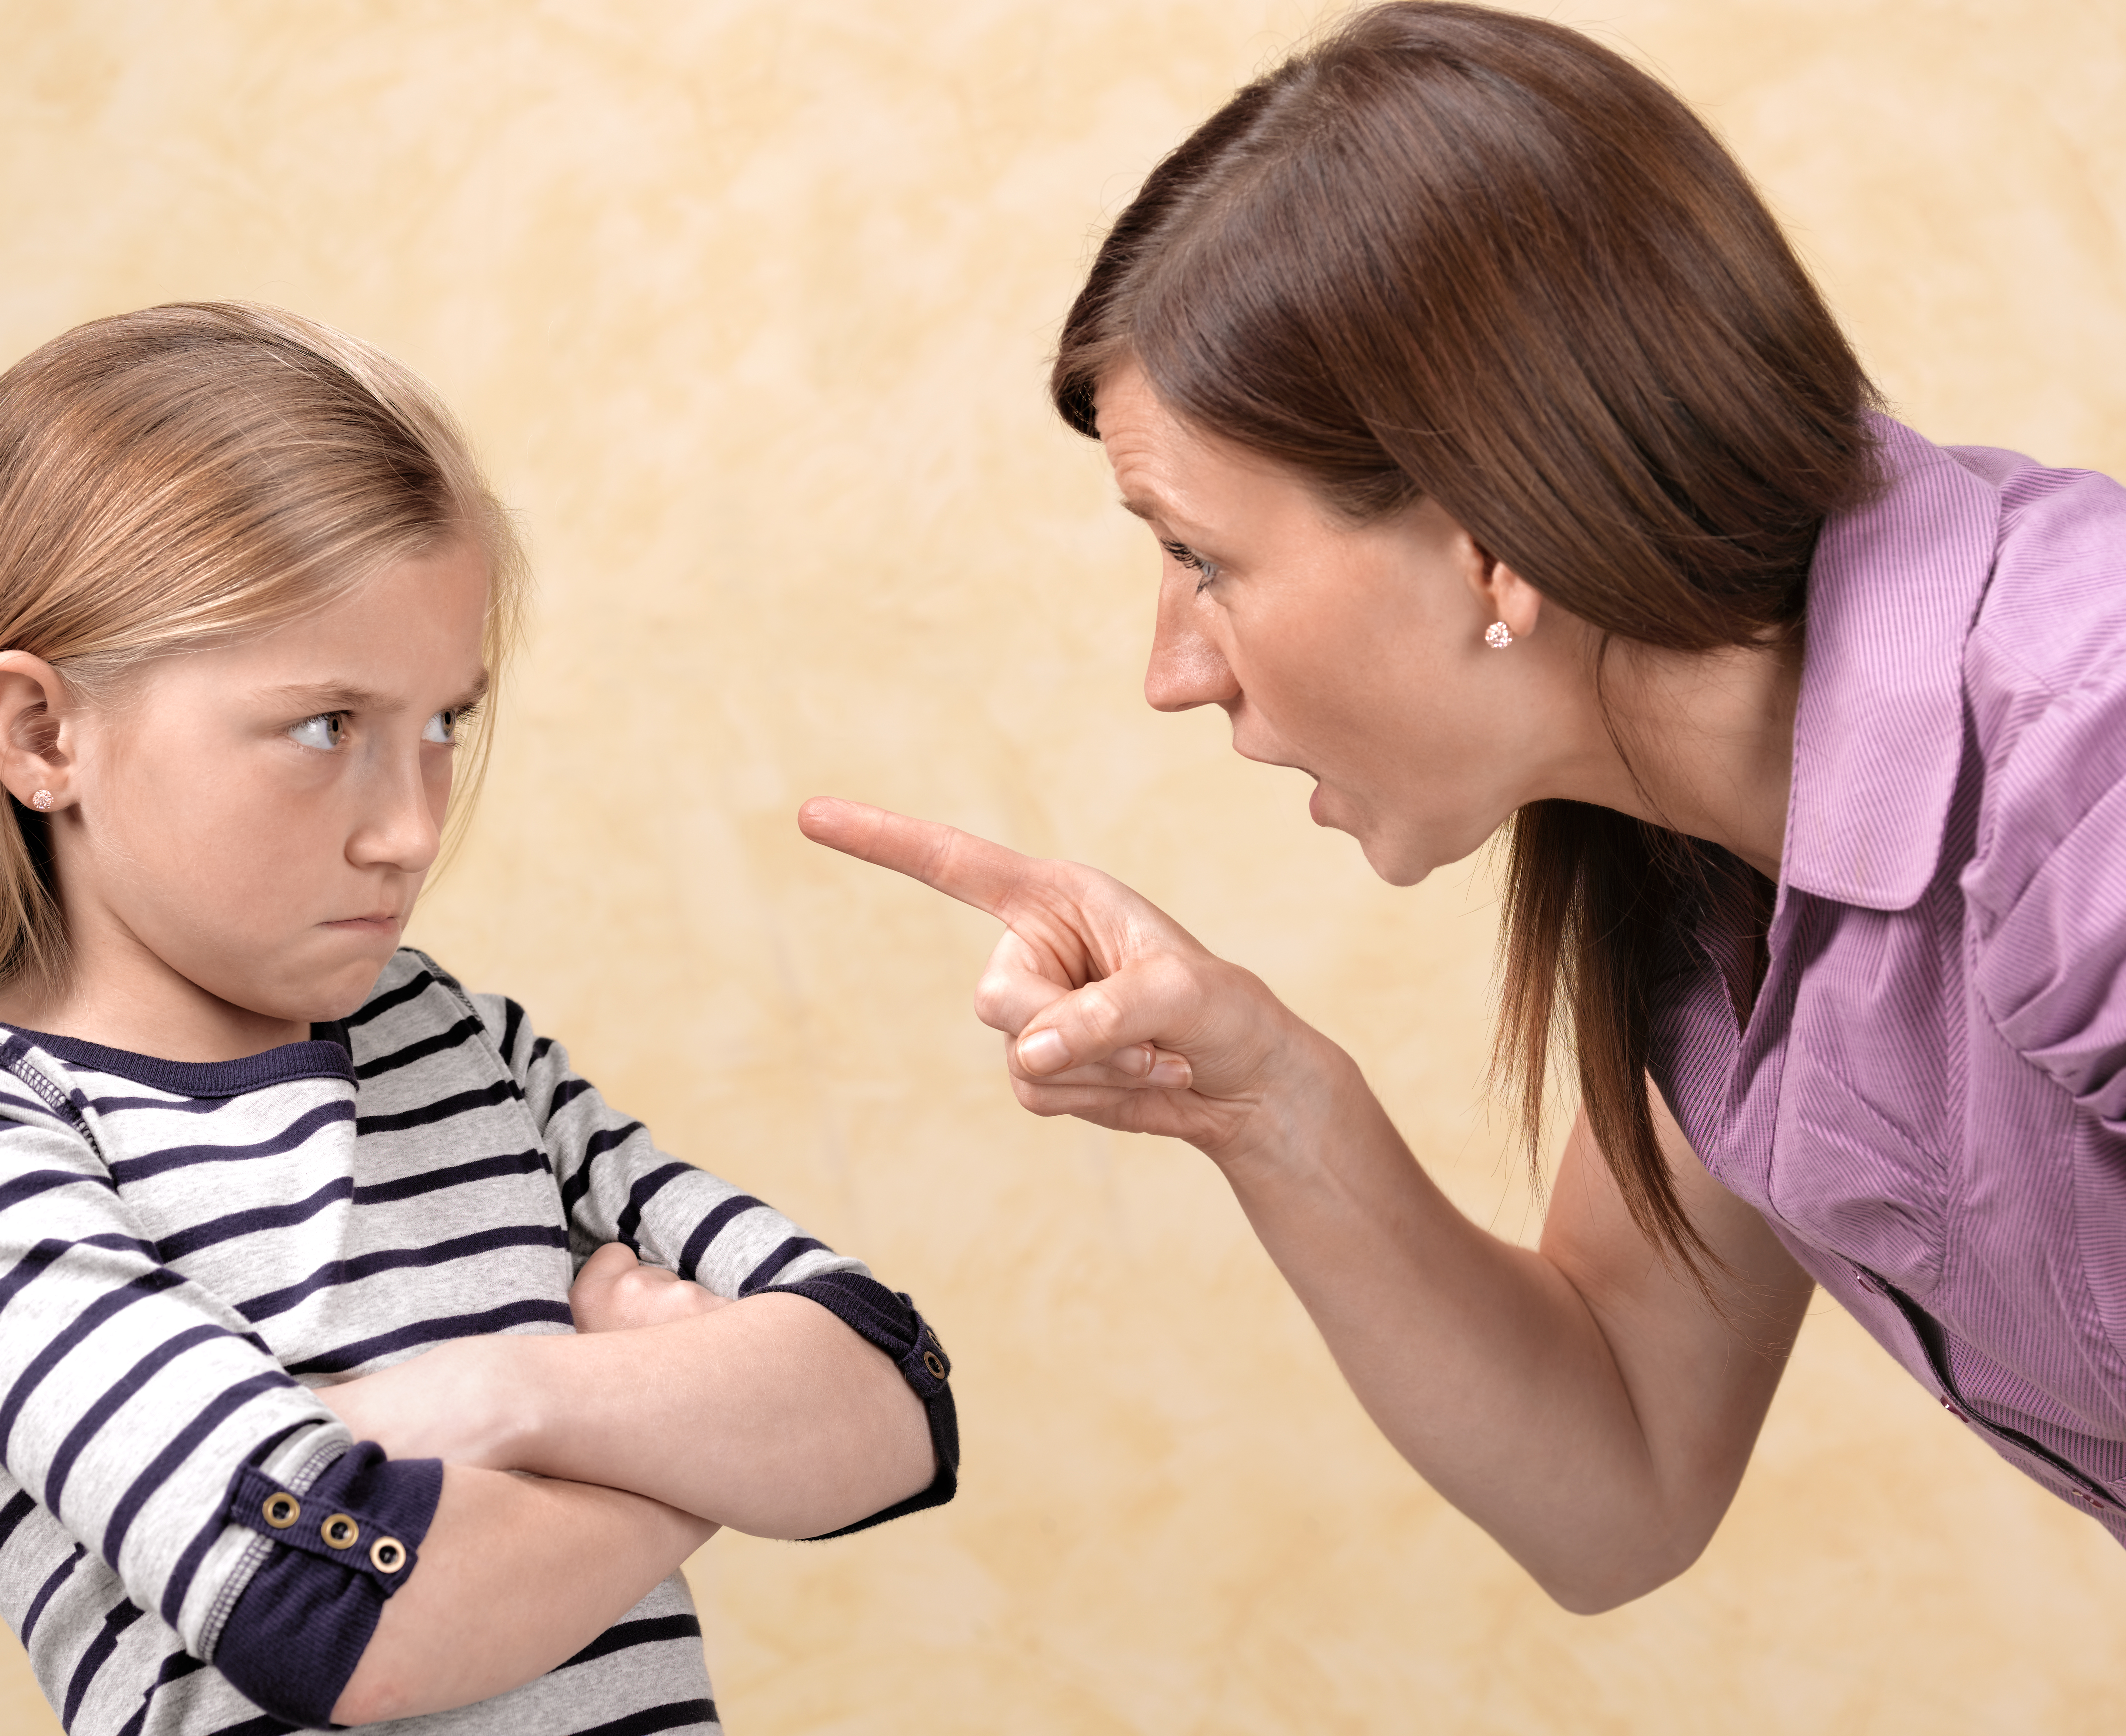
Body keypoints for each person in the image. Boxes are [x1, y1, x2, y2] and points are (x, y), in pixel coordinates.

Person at [802, 0, 2126, 1612]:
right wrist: (1266, 1103)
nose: (1171, 670)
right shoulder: (1711, 876)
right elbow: (1622, 1477)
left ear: (1496, 543)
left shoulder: (2087, 751)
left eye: (1202, 557)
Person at [0, 302, 956, 1735]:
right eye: (327, 727)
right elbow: (342, 1616)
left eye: (444, 721)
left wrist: (510, 1396)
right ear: (41, 734)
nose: (408, 830)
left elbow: (893, 1402)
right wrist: (691, 1432)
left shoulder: (452, 1040)